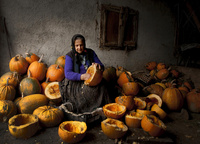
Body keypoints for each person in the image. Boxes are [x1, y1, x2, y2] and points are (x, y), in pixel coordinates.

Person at [59, 34, 110, 122]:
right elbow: (68, 74)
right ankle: (91, 111)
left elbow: (101, 65)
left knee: (103, 84)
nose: (79, 48)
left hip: (91, 78)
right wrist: (82, 76)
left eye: (81, 45)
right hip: (76, 82)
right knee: (89, 90)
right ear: (73, 46)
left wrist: (99, 66)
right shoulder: (69, 56)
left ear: (84, 44)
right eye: (77, 46)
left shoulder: (90, 52)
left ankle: (103, 108)